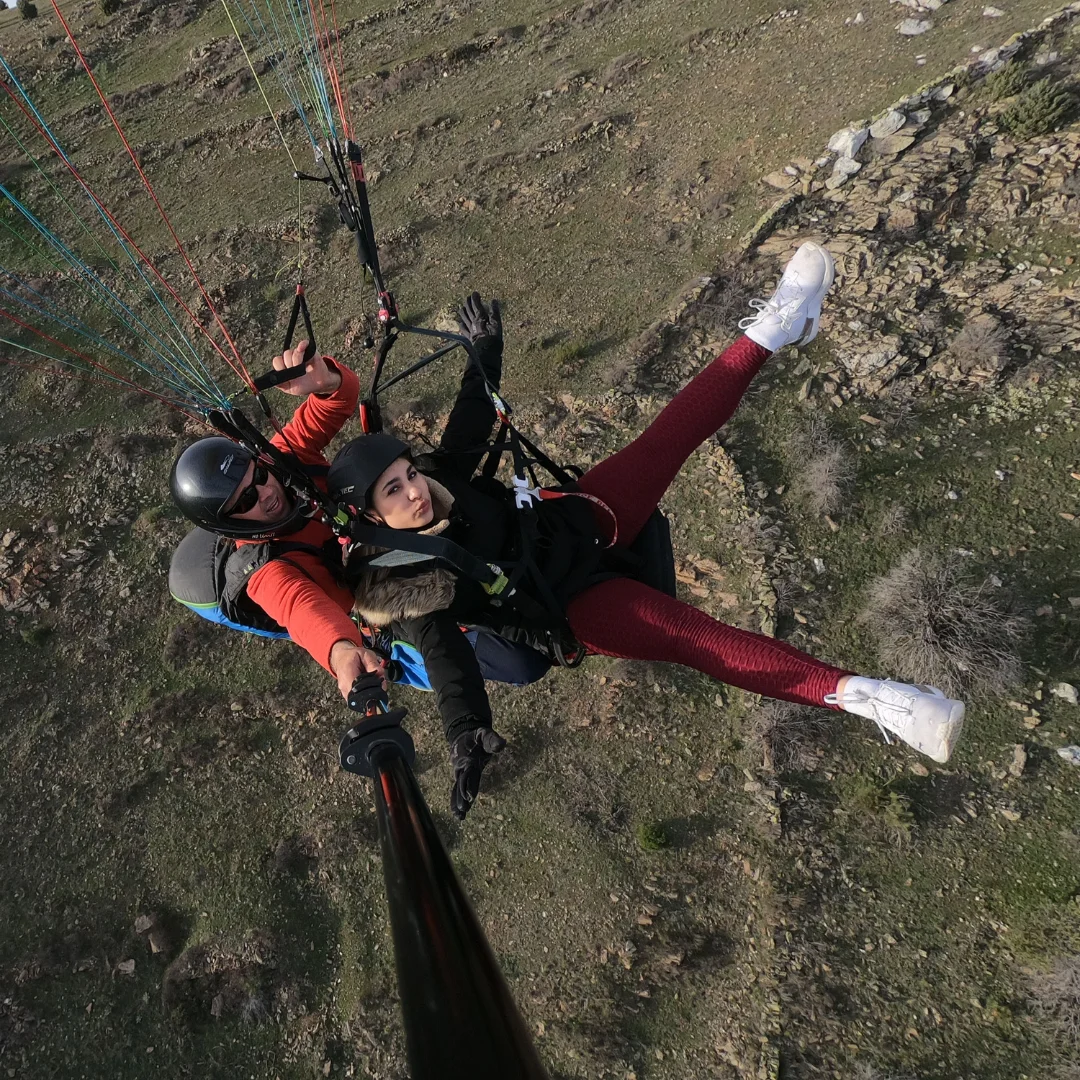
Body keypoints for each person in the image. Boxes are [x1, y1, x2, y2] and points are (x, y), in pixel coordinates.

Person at [327, 244, 966, 821]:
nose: (413, 489)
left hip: (577, 518)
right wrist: (466, 730)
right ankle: (878, 701)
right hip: (573, 608)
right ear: (374, 517)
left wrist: (485, 352)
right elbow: (445, 658)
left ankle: (780, 322)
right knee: (701, 641)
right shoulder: (409, 586)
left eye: (407, 473)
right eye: (395, 491)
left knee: (667, 438)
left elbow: (470, 420)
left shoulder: (439, 476)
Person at [169, 347, 389, 698]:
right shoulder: (265, 571)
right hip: (382, 603)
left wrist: (326, 381)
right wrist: (343, 652)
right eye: (245, 501)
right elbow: (302, 610)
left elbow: (335, 403)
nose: (265, 492)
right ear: (228, 524)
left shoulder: (282, 460)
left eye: (258, 475)